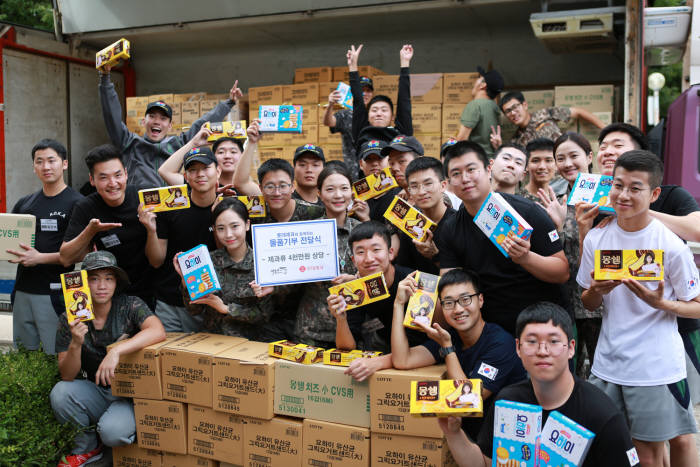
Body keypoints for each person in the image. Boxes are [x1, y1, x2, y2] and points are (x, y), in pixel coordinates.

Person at [579, 123, 700, 463]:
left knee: (650, 454)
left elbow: (698, 306)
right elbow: (588, 301)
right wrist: (596, 290)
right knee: (623, 450)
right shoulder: (597, 237)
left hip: (655, 367)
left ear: (654, 194)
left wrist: (663, 304)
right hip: (607, 364)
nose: (623, 195)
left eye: (635, 188)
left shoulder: (670, 245)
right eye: (618, 186)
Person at [439, 302, 638, 467]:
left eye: (553, 341)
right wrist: (453, 433)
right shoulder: (508, 401)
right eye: (532, 341)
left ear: (570, 348)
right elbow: (484, 463)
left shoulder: (603, 415)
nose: (542, 351)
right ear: (518, 348)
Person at [437, 141, 569, 335]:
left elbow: (562, 272)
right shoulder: (450, 228)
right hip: (493, 330)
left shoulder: (528, 211)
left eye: (471, 169)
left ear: (488, 169)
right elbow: (449, 284)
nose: (465, 179)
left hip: (543, 326)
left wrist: (526, 258)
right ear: (448, 183)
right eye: (456, 174)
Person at [50, 251, 165, 467]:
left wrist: (117, 351)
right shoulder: (71, 317)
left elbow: (157, 330)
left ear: (116, 283)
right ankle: (87, 448)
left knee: (112, 432)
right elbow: (67, 375)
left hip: (128, 393)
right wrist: (76, 342)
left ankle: (124, 435)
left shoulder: (130, 305)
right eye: (94, 279)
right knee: (60, 393)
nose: (102, 286)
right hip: (96, 391)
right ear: (83, 283)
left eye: (108, 278)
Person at [391, 268, 526, 440]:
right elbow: (403, 360)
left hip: (506, 440)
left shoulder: (501, 343)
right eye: (449, 303)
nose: (458, 309)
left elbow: (468, 401)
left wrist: (447, 348)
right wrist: (398, 304)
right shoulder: (451, 336)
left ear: (480, 300)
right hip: (469, 437)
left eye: (465, 299)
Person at [98, 66, 242, 188]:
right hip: (139, 207)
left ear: (170, 125)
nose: (157, 122)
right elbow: (112, 117)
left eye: (163, 118)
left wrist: (229, 103)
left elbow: (202, 125)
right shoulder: (129, 142)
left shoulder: (178, 144)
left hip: (170, 207)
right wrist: (105, 78)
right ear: (143, 121)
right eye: (152, 116)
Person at [537, 132, 602, 378]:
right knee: (571, 370)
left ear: (589, 157)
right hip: (567, 299)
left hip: (600, 299)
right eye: (560, 158)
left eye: (574, 156)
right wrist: (557, 225)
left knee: (600, 368)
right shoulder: (557, 197)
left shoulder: (607, 196)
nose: (567, 164)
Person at [9, 139, 83, 354]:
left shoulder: (78, 203)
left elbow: (80, 253)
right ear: (34, 167)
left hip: (58, 291)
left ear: (65, 164)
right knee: (24, 353)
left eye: (52, 160)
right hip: (23, 288)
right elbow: (10, 240)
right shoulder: (25, 203)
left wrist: (39, 258)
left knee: (58, 353)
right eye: (39, 162)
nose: (46, 167)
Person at [140, 135, 220, 333]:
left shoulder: (227, 207)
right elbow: (156, 261)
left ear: (218, 171)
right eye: (193, 170)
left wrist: (218, 219)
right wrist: (150, 230)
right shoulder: (171, 206)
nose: (200, 174)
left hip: (213, 302)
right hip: (171, 302)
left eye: (206, 168)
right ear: (185, 177)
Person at [60, 145, 154, 308]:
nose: (113, 183)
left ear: (126, 174)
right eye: (103, 177)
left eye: (118, 175)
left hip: (152, 289)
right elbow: (65, 257)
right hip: (109, 293)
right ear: (92, 180)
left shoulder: (145, 197)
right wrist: (90, 231)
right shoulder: (86, 207)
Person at [176, 198, 274, 339]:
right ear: (214, 229)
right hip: (211, 340)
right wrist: (186, 282)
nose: (228, 234)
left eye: (235, 226)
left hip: (248, 344)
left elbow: (264, 315)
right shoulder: (207, 261)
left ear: (247, 225)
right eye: (221, 228)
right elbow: (194, 310)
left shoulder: (262, 263)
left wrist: (226, 309)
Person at [328, 221, 422, 355]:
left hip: (419, 353)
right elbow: (346, 348)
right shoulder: (354, 292)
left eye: (376, 250)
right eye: (361, 252)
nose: (369, 258)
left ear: (390, 253)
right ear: (354, 261)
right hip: (383, 350)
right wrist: (341, 319)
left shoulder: (412, 280)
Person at [294, 163, 362, 348]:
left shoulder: (363, 232)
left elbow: (381, 276)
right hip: (312, 329)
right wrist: (271, 286)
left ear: (352, 192)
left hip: (357, 328)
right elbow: (291, 274)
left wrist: (356, 280)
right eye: (330, 189)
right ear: (319, 193)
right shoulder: (306, 232)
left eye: (344, 188)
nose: (338, 195)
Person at [233, 120, 325, 223]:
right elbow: (241, 183)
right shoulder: (273, 197)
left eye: (315, 165)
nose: (309, 170)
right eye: (302, 164)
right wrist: (251, 142)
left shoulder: (324, 207)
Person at [394, 157, 455, 275]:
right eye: (414, 186)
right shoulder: (410, 224)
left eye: (428, 184)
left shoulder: (458, 223)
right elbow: (403, 268)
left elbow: (466, 275)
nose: (421, 192)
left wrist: (435, 256)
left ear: (443, 185)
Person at [347, 44, 413, 151]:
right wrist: (352, 66)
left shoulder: (401, 136)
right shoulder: (362, 133)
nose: (379, 113)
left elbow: (404, 102)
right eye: (374, 110)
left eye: (384, 110)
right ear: (367, 116)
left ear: (392, 117)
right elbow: (358, 101)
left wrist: (405, 63)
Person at [492, 91, 606, 149]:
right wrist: (500, 146)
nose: (513, 113)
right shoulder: (516, 141)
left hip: (566, 171)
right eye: (507, 111)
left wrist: (606, 130)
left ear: (525, 105)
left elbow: (579, 112)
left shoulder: (545, 114)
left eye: (515, 107)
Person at [158, 132, 244, 193]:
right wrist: (194, 143)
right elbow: (165, 171)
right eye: (221, 152)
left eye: (233, 152)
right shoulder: (200, 183)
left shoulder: (248, 188)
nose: (227, 156)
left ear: (243, 156)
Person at [324, 76, 374, 179]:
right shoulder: (345, 115)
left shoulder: (376, 115)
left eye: (368, 91)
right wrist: (330, 105)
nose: (364, 93)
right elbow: (328, 122)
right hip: (353, 173)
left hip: (375, 172)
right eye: (361, 90)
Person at [455, 66, 504, 158]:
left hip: (477, 161)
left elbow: (461, 141)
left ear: (483, 85)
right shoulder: (495, 108)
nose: (475, 82)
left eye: (479, 79)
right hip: (492, 160)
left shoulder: (475, 105)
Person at [518, 138, 560, 203]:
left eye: (548, 160)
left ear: (556, 165)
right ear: (526, 165)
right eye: (536, 160)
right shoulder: (517, 200)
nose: (542, 166)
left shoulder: (560, 201)